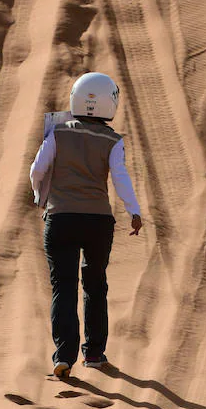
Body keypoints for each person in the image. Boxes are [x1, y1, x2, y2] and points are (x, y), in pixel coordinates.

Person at [30, 72, 143, 379]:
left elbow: (37, 170)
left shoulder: (58, 132)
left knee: (63, 287)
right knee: (95, 286)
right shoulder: (112, 140)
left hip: (60, 218)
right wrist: (134, 211)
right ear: (110, 104)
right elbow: (120, 178)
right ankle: (93, 354)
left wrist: (42, 197)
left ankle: (63, 356)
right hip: (98, 222)